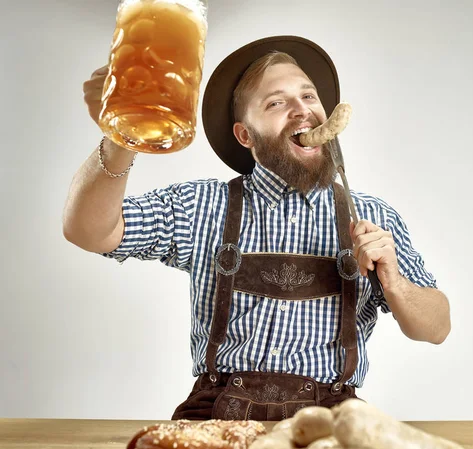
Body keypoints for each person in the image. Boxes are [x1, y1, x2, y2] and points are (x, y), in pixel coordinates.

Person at [63, 35, 451, 421]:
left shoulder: (372, 216)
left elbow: (436, 327)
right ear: (245, 135)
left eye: (309, 96)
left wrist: (394, 281)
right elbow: (89, 231)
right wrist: (121, 136)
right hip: (216, 414)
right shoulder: (203, 206)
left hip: (331, 420)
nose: (302, 111)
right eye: (276, 103)